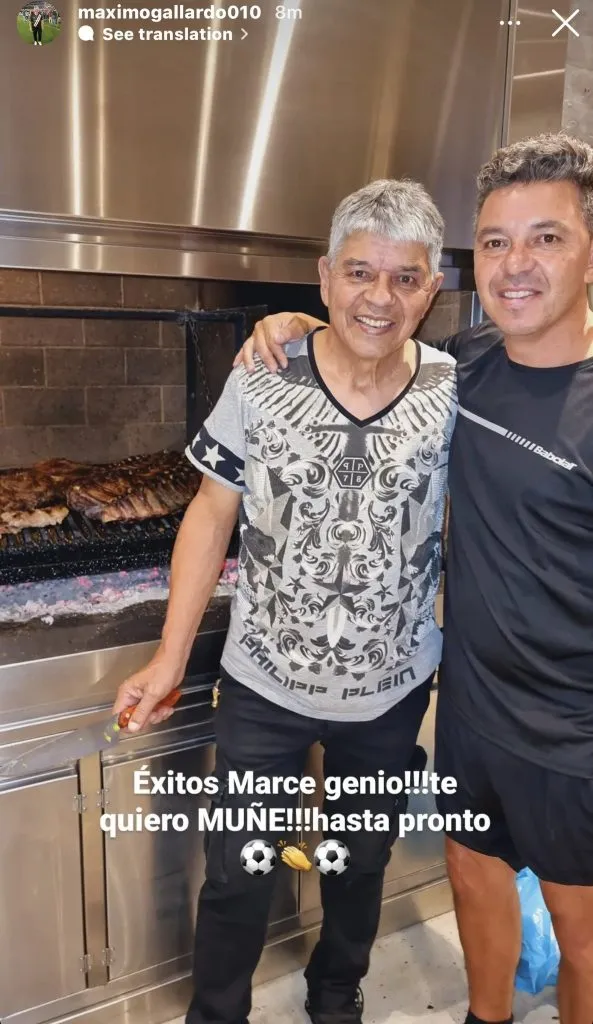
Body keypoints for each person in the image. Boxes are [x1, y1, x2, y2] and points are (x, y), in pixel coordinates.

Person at [234, 132, 593, 1024]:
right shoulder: (464, 366)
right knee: (472, 879)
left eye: (546, 238)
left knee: (582, 931)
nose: (515, 264)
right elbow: (369, 336)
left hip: (575, 731)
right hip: (469, 706)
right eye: (496, 241)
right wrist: (290, 325)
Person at [112, 179, 458, 1024]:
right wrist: (168, 657)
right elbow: (209, 513)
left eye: (404, 278)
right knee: (238, 868)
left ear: (431, 289)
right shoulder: (261, 376)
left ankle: (334, 993)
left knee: (359, 862)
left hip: (389, 690)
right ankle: (217, 1012)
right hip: (263, 683)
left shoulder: (456, 389)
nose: (379, 298)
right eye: (359, 273)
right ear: (325, 277)